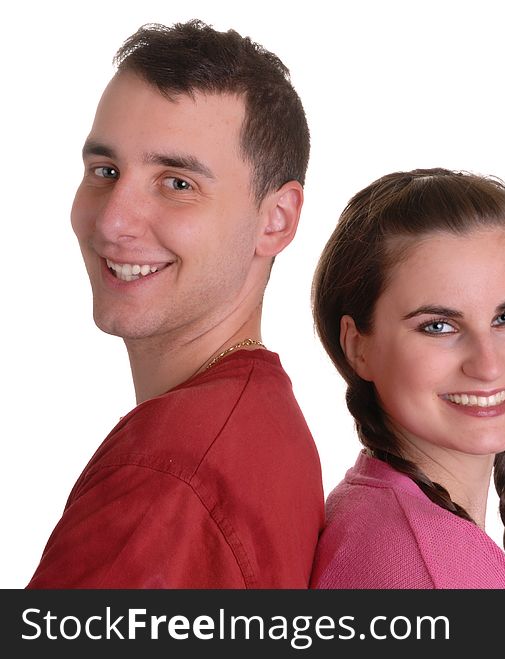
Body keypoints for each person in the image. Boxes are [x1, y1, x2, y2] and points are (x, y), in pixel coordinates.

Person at [27, 20, 323, 588]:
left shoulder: (165, 480)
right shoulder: (262, 421)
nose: (113, 222)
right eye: (105, 172)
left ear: (276, 220)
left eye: (177, 183)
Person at [310, 168, 505, 589]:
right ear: (357, 345)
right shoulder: (429, 571)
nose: (488, 365)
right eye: (438, 326)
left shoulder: (375, 513)